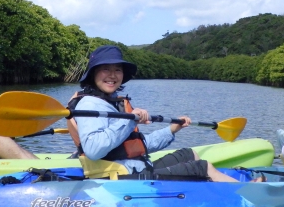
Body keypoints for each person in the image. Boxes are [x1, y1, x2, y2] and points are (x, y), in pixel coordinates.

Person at [69, 45, 254, 182]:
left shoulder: (113, 103)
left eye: (117, 69)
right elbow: (93, 150)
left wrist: (172, 130)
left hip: (135, 169)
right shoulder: (90, 104)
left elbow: (138, 146)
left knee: (189, 154)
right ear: (93, 73)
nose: (112, 75)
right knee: (203, 167)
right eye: (105, 69)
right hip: (120, 177)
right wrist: (130, 121)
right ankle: (247, 193)